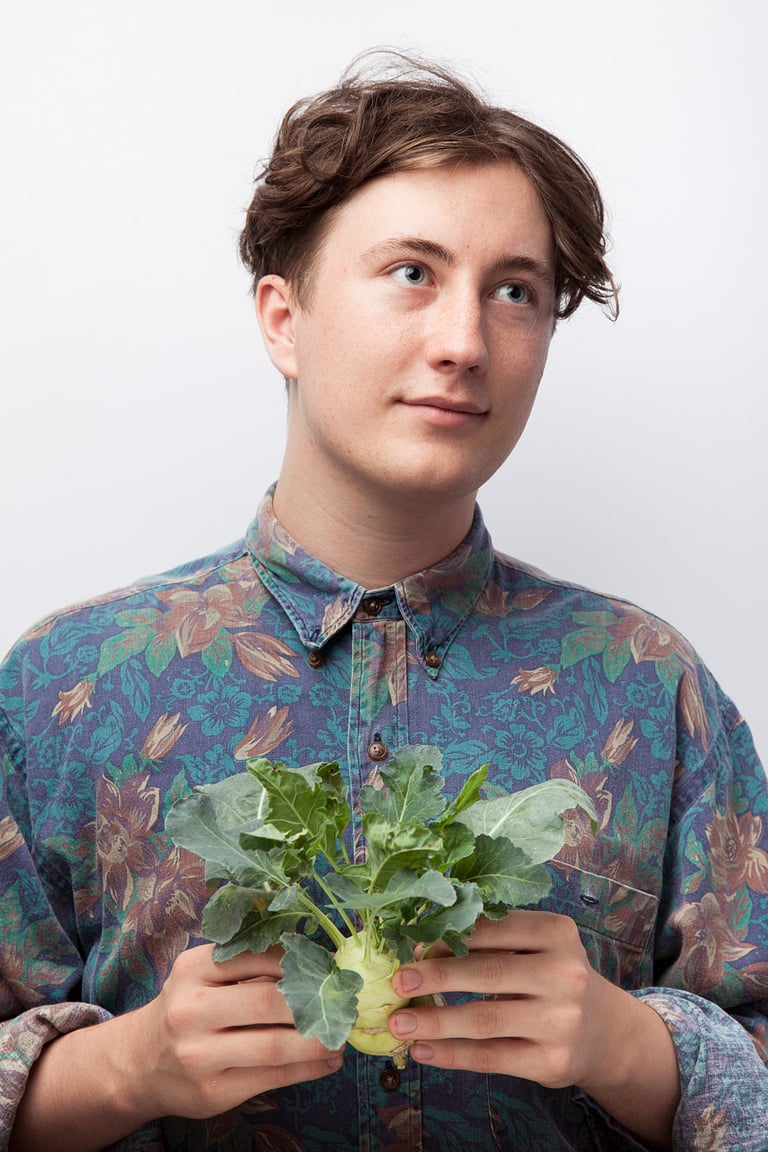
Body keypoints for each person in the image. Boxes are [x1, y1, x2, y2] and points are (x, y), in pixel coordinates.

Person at [1, 50, 766, 1152]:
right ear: (283, 319)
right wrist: (125, 1069)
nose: (463, 343)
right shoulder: (61, 688)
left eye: (516, 291)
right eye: (411, 272)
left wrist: (629, 1046)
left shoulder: (651, 686)